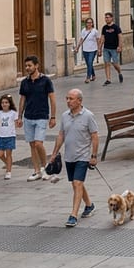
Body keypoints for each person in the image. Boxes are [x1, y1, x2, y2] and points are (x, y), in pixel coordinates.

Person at [48, 89, 99, 228]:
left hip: (83, 156)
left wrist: (94, 156)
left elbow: (95, 136)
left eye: (71, 98)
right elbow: (61, 135)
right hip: (69, 156)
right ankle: (89, 205)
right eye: (67, 98)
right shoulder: (65, 116)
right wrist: (54, 154)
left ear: (79, 101)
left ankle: (73, 215)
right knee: (77, 184)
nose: (68, 101)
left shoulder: (88, 116)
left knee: (77, 183)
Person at [18, 55, 56, 181]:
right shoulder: (24, 82)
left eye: (29, 65)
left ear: (36, 66)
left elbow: (52, 99)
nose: (27, 68)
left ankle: (46, 168)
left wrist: (53, 117)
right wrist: (19, 116)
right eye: (26, 66)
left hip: (41, 116)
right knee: (32, 145)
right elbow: (22, 99)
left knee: (39, 143)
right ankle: (36, 171)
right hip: (28, 116)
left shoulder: (45, 81)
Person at [74, 17, 101, 83]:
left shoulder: (95, 31)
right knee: (89, 64)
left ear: (92, 23)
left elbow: (98, 41)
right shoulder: (83, 30)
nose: (89, 24)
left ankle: (88, 77)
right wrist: (77, 47)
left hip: (93, 50)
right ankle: (93, 75)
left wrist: (99, 49)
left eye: (90, 22)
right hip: (85, 50)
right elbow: (81, 40)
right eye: (88, 22)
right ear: (86, 23)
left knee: (89, 62)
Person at [99, 12, 124, 85]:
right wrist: (100, 48)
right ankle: (108, 79)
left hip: (114, 48)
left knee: (115, 64)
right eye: (105, 17)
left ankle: (119, 72)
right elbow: (102, 38)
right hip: (106, 48)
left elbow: (120, 37)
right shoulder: (104, 28)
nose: (106, 19)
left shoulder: (116, 27)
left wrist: (119, 46)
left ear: (111, 18)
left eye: (108, 17)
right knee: (107, 63)